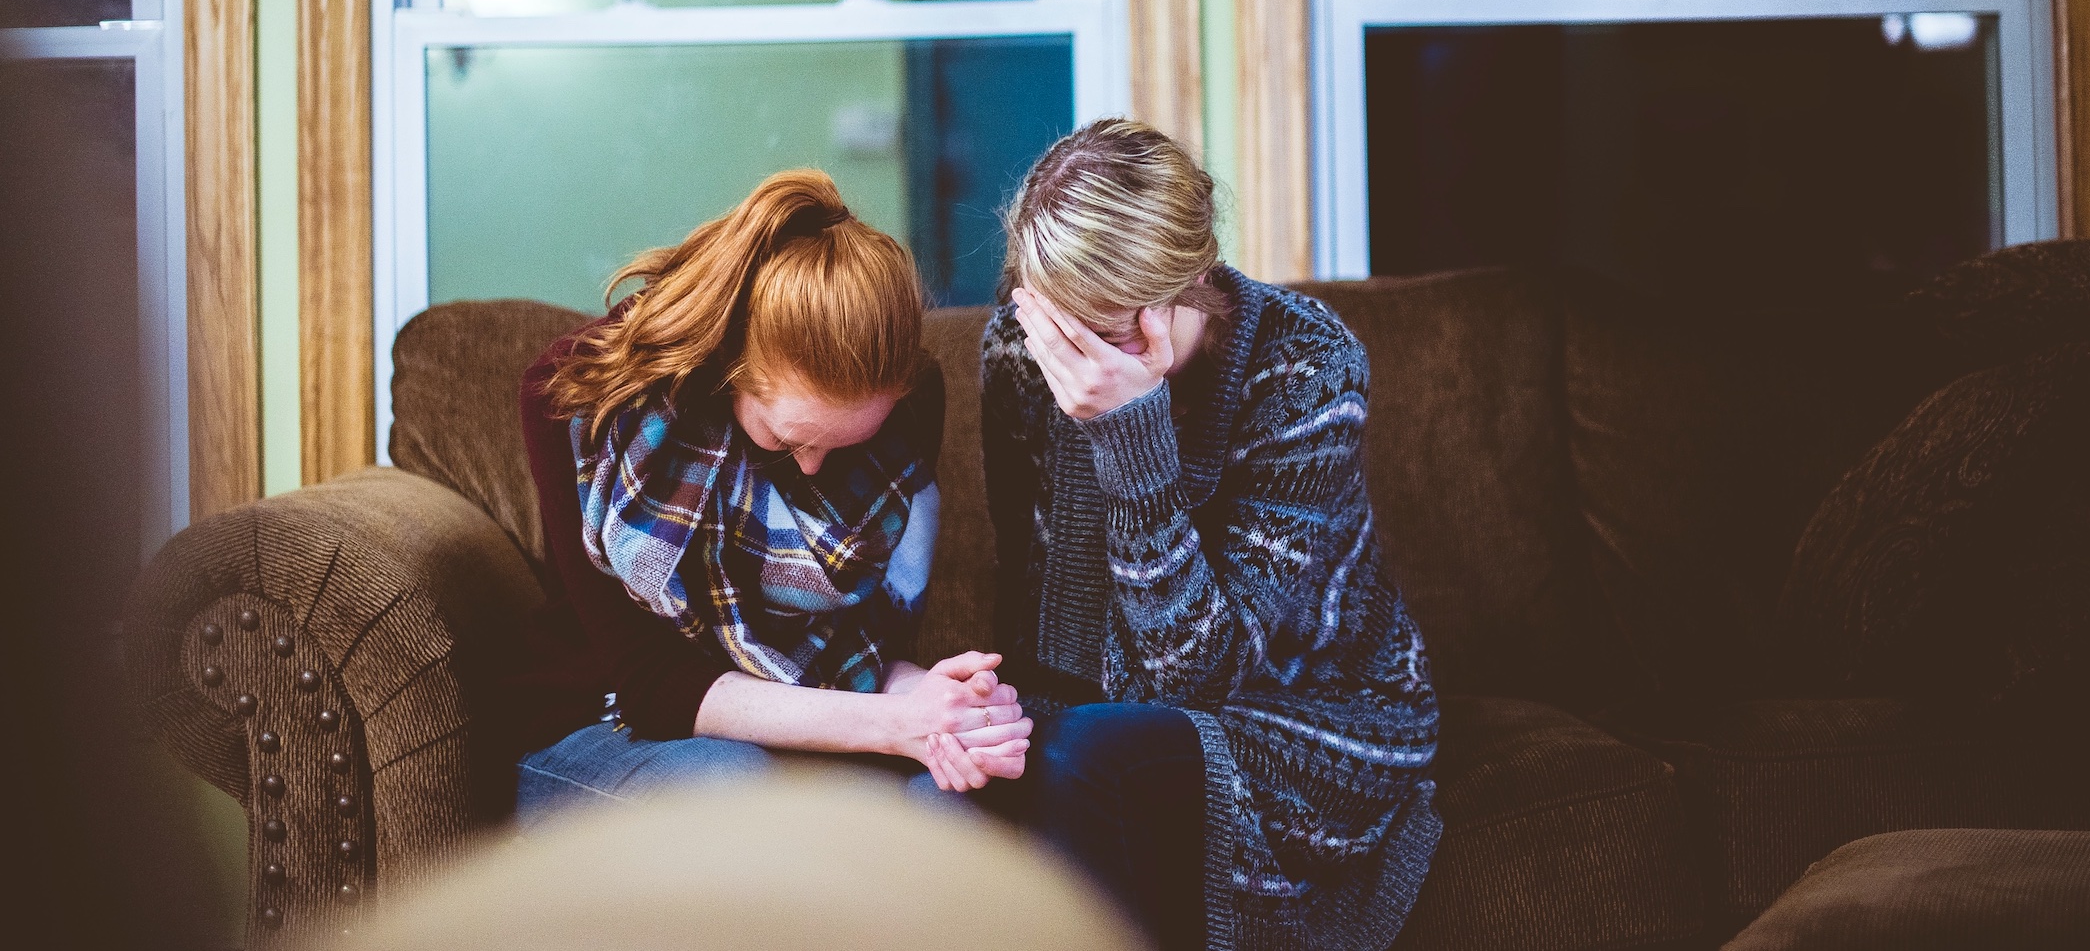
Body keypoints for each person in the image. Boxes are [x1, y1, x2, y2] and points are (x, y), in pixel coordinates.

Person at [978, 119, 1442, 951]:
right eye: (1055, 321)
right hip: (1108, 710)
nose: (1068, 356)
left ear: (1185, 284)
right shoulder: (1023, 349)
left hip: (1311, 713)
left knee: (1090, 756)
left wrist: (1132, 436)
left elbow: (1202, 678)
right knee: (959, 785)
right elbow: (1037, 601)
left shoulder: (1306, 368)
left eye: (1104, 328)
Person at [511, 170, 1031, 818]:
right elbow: (652, 686)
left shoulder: (908, 406)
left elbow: (858, 652)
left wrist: (946, 704)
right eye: (787, 442)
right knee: (738, 791)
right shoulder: (578, 399)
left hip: (804, 719)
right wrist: (897, 725)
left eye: (841, 448)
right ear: (729, 371)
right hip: (606, 724)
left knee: (959, 800)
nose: (813, 470)